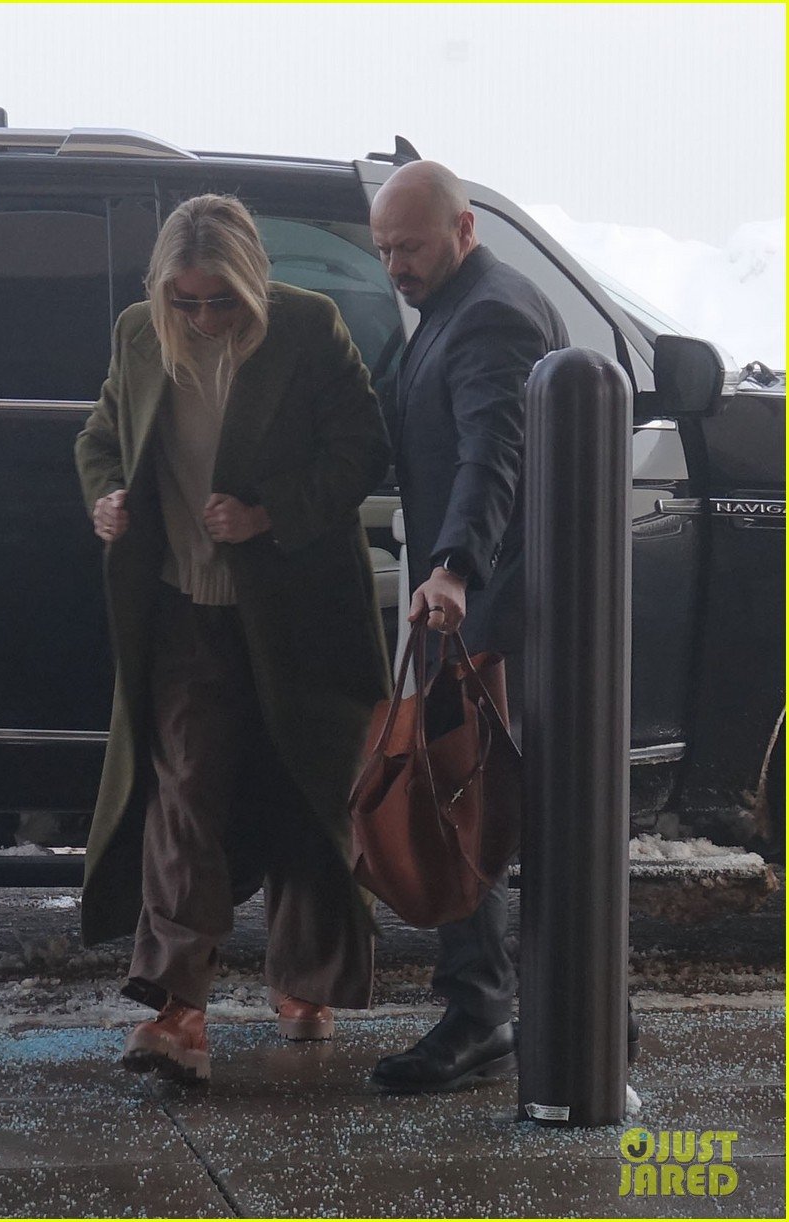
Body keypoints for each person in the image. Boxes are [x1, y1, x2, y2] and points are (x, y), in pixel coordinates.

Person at [75, 194, 391, 1083]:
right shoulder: (141, 334)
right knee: (184, 794)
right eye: (187, 301)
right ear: (162, 292)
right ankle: (179, 1010)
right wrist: (105, 498)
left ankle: (308, 982)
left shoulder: (307, 327)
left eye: (221, 300)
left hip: (299, 611)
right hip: (184, 608)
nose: (205, 317)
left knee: (307, 786)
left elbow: (361, 449)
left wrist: (267, 514)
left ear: (253, 283)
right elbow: (100, 437)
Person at [368, 160, 572, 1092]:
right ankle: (560, 1008)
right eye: (383, 251)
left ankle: (493, 1013)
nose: (395, 267)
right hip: (486, 604)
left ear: (463, 229)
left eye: (409, 247)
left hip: (500, 608)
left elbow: (495, 451)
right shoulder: (450, 307)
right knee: (487, 803)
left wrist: (452, 565)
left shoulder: (492, 314)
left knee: (474, 804)